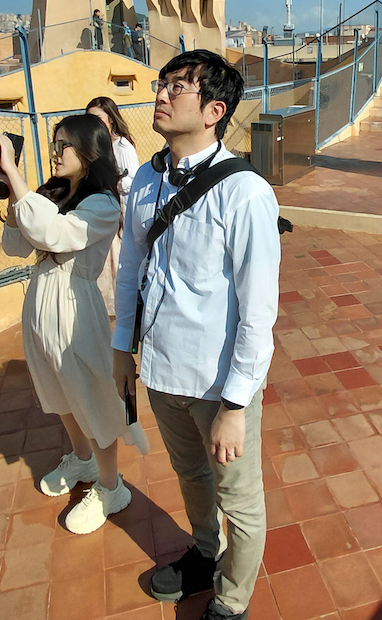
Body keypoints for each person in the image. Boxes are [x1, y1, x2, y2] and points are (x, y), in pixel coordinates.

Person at [113, 50, 280, 620]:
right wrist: (122, 350)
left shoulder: (245, 193)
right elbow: (132, 268)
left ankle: (232, 603)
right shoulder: (144, 178)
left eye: (175, 87)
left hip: (219, 383)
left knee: (241, 500)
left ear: (213, 110)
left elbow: (259, 312)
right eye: (161, 83)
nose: (160, 94)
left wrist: (236, 404)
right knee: (189, 475)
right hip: (162, 371)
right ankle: (206, 554)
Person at [0, 115, 132, 534]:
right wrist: (14, 196)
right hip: (41, 301)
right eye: (54, 146)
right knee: (58, 391)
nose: (55, 154)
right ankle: (82, 460)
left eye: (63, 146)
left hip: (74, 305)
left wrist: (16, 172)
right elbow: (16, 245)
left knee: (91, 396)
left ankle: (112, 487)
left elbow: (53, 236)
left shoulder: (102, 204)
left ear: (89, 152)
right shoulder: (55, 195)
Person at [85, 95, 141, 317]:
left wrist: (112, 181)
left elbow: (132, 181)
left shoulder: (122, 146)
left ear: (111, 119)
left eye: (99, 117)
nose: (95, 123)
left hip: (123, 213)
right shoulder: (99, 147)